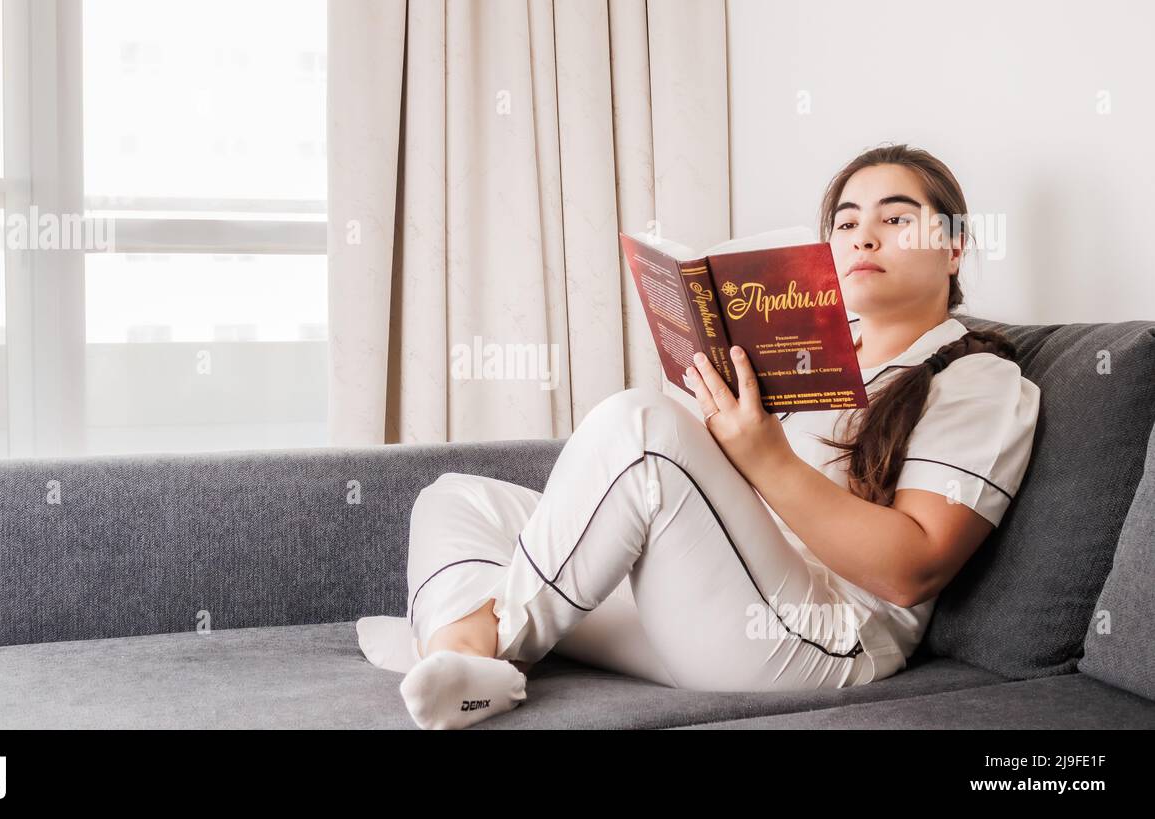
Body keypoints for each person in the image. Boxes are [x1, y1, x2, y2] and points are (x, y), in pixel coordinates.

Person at [357, 143, 1041, 730]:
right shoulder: (805, 353)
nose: (864, 236)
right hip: (706, 604)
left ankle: (474, 640)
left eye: (896, 218)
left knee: (642, 425)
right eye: (847, 221)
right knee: (456, 498)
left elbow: (911, 569)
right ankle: (468, 661)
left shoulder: (976, 377)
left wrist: (762, 456)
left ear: (953, 247)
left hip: (817, 639)